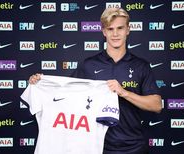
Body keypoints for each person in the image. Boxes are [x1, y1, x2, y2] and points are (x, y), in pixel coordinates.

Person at [29, 8, 162, 154]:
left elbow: (156, 105)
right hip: (98, 147)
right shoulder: (89, 65)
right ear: (104, 32)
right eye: (110, 29)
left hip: (134, 146)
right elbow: (64, 92)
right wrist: (40, 82)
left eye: (120, 28)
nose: (115, 34)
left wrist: (124, 93)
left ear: (128, 30)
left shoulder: (140, 65)